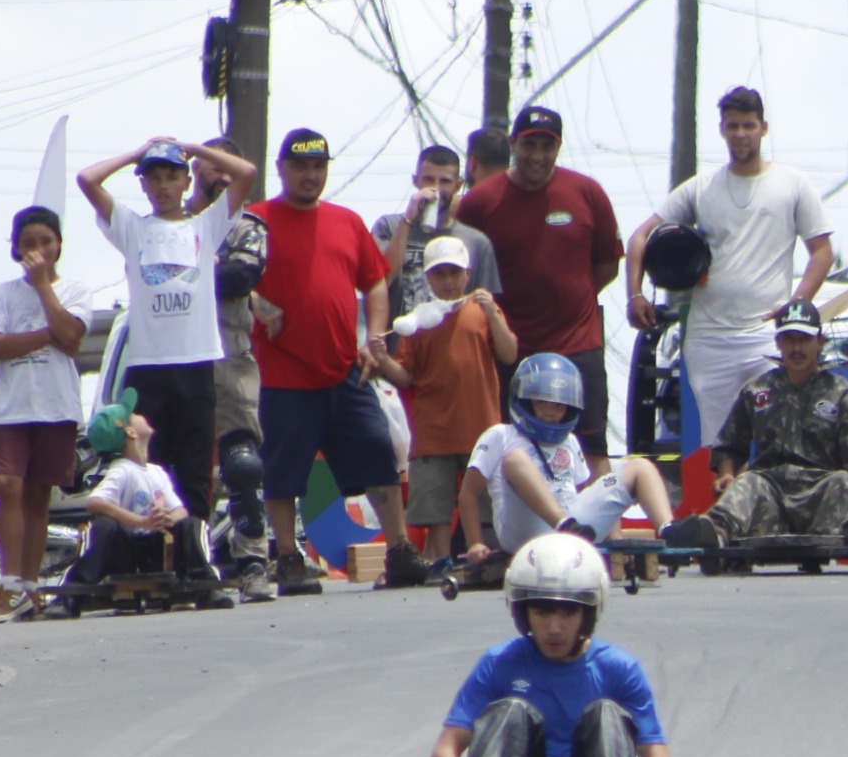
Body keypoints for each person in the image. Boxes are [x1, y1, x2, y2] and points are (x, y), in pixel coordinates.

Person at [246, 128, 434, 593]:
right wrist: (259, 304)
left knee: (379, 450)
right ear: (281, 169)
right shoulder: (256, 220)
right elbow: (227, 276)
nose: (310, 176)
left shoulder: (347, 221)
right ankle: (288, 557)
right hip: (284, 375)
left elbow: (374, 281)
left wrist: (374, 338)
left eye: (318, 166)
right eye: (301, 166)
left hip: (344, 369)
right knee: (284, 470)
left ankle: (399, 551)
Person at [432, 532, 670, 757]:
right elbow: (445, 750)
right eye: (542, 612)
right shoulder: (499, 662)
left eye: (567, 613)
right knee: (510, 708)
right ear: (522, 613)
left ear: (588, 614)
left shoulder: (618, 669)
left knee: (605, 712)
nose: (554, 627)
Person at [622, 87, 833, 457]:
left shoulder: (793, 184)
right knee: (717, 449)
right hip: (709, 338)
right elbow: (641, 235)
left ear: (763, 128)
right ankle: (723, 515)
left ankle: (772, 514)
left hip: (765, 336)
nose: (740, 134)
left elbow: (822, 252)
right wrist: (635, 294)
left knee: (775, 439)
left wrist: (796, 305)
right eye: (732, 125)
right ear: (721, 129)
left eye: (748, 125)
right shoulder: (703, 187)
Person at [78, 136, 256, 542]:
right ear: (143, 184)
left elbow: (246, 174)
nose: (163, 187)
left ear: (185, 181)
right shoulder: (133, 229)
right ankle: (150, 554)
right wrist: (134, 153)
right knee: (147, 471)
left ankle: (195, 559)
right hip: (148, 367)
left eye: (172, 177)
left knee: (195, 469)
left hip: (195, 363)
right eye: (154, 177)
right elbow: (87, 180)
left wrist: (194, 147)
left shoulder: (205, 225)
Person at [455, 105, 622, 476]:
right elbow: (457, 270)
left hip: (578, 344)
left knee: (592, 447)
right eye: (530, 145)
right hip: (509, 349)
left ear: (558, 148)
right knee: (504, 446)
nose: (538, 155)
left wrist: (570, 295)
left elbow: (607, 264)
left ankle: (602, 534)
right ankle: (502, 533)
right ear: (514, 144)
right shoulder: (482, 200)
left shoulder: (587, 192)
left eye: (548, 146)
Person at [665, 301, 848, 556]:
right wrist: (727, 474)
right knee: (748, 482)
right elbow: (728, 446)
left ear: (820, 342)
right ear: (778, 343)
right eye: (788, 339)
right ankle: (714, 536)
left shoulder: (846, 396)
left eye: (804, 339)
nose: (796, 348)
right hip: (770, 493)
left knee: (843, 482)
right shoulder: (757, 391)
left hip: (821, 495)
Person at [457, 353, 682, 576]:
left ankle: (669, 530)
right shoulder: (501, 435)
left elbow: (586, 493)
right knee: (514, 458)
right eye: (541, 402)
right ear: (524, 400)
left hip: (575, 524)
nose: (550, 412)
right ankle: (563, 524)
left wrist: (615, 537)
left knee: (640, 467)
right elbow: (468, 492)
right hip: (524, 529)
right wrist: (474, 543)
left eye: (558, 406)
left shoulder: (570, 441)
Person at [371, 237, 517, 565]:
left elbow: (509, 354)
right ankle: (438, 562)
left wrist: (493, 314)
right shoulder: (418, 321)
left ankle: (490, 560)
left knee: (487, 506)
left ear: (468, 273)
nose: (448, 281)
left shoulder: (483, 310)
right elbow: (405, 377)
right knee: (435, 511)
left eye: (454, 273)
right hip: (432, 433)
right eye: (439, 274)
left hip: (481, 429)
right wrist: (382, 360)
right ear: (428, 278)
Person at [0, 206, 88, 623]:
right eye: (28, 244)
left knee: (39, 494)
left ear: (58, 244)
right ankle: (6, 584)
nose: (38, 250)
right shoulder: (1, 293)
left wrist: (44, 288)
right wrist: (50, 335)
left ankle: (30, 585)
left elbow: (74, 335)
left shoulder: (75, 289)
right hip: (7, 408)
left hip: (55, 406)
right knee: (6, 485)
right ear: (15, 248)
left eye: (46, 242)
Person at [189, 138, 274, 600]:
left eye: (229, 168)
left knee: (242, 465)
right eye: (211, 166)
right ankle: (189, 561)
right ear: (194, 168)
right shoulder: (170, 224)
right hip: (178, 359)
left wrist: (189, 266)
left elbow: (242, 277)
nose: (220, 175)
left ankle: (254, 561)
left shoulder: (248, 225)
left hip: (230, 354)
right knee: (181, 466)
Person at [56, 404, 212, 604]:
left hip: (157, 550)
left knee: (191, 524)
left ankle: (205, 581)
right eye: (134, 414)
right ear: (130, 432)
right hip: (126, 553)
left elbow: (180, 510)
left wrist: (166, 519)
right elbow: (95, 502)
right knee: (104, 526)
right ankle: (73, 593)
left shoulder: (156, 471)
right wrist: (142, 521)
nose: (140, 414)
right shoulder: (121, 470)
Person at [374, 144, 502, 321]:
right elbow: (381, 281)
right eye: (428, 179)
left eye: (445, 181)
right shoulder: (389, 227)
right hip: (398, 344)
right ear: (415, 180)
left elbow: (485, 311)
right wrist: (408, 221)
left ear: (458, 185)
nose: (435, 189)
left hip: (451, 344)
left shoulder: (476, 242)